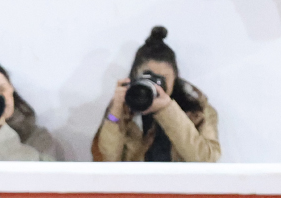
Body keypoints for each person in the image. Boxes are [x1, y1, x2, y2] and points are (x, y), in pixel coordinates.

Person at [92, 26, 220, 163]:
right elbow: (106, 161)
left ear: (175, 78)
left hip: (182, 184)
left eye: (162, 79)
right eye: (148, 77)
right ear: (135, 76)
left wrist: (168, 110)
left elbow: (206, 160)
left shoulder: (197, 109)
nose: (155, 85)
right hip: (134, 183)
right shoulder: (124, 108)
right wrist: (115, 114)